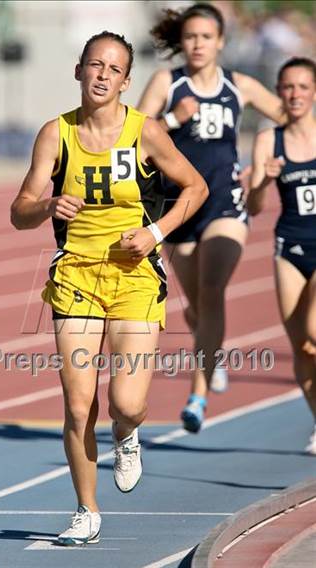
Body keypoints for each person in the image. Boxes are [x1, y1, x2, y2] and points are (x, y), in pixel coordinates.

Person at [10, 31, 208, 546]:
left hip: (134, 277)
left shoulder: (145, 131)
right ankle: (86, 510)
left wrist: (155, 233)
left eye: (113, 69)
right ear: (78, 71)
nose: (102, 75)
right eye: (94, 65)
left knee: (125, 402)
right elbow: (19, 211)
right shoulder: (56, 135)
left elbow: (195, 188)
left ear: (125, 81)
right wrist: (48, 206)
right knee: (78, 405)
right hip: (76, 275)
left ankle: (127, 432)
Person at [137, 3, 285, 433]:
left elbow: (292, 119)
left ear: (221, 41)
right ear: (181, 42)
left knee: (212, 288)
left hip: (225, 201)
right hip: (178, 205)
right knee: (197, 308)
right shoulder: (168, 81)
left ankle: (197, 396)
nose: (197, 45)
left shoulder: (239, 86)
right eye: (190, 37)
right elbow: (135, 136)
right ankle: (212, 351)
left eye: (206, 37)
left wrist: (262, 162)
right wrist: (170, 118)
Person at [247, 57, 316, 454]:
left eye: (302, 87)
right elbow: (255, 206)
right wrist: (265, 180)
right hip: (289, 246)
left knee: (315, 332)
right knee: (303, 349)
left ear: (313, 92)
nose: (294, 95)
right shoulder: (267, 141)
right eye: (287, 87)